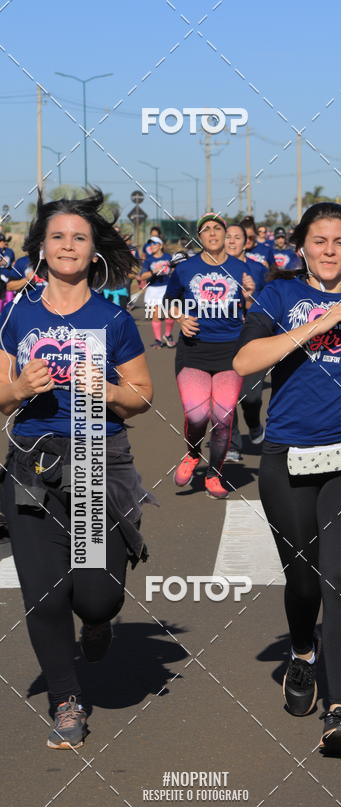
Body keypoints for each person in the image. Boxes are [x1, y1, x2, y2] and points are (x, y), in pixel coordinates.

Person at [233, 202, 341, 754]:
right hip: (288, 455)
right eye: (320, 241)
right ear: (302, 246)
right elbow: (244, 362)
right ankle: (303, 651)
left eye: (340, 242)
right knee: (304, 581)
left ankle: (340, 710)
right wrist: (318, 323)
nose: (330, 251)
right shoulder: (279, 295)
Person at [0, 190, 153, 749]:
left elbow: (143, 394)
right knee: (43, 596)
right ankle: (66, 700)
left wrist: (109, 390)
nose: (68, 245)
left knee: (96, 597)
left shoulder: (111, 318)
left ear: (94, 252)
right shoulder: (16, 314)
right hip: (32, 461)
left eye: (79, 238)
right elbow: (0, 394)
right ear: (41, 248)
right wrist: (19, 387)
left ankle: (98, 620)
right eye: (58, 236)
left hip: (95, 459)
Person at [165, 213, 255, 498]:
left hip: (230, 351)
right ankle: (193, 454)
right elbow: (169, 300)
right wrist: (180, 317)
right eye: (206, 229)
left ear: (225, 235)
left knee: (223, 417)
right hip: (194, 350)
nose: (212, 233)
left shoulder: (241, 268)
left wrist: (249, 297)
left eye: (217, 228)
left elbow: (255, 311)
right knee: (197, 415)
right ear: (199, 236)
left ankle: (214, 474)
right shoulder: (185, 269)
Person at [224, 223, 268, 461]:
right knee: (225, 397)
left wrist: (249, 299)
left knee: (251, 397)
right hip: (221, 340)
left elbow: (269, 304)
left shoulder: (258, 269)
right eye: (228, 237)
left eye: (237, 237)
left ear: (246, 242)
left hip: (253, 339)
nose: (231, 241)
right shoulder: (214, 269)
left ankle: (254, 424)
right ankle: (231, 444)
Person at [140, 236, 174, 348]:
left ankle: (168, 335)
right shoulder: (149, 260)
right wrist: (153, 271)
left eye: (154, 243)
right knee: (156, 315)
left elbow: (175, 270)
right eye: (150, 244)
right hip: (154, 289)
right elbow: (142, 276)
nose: (152, 246)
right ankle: (158, 340)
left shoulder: (168, 257)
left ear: (160, 245)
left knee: (170, 314)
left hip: (167, 287)